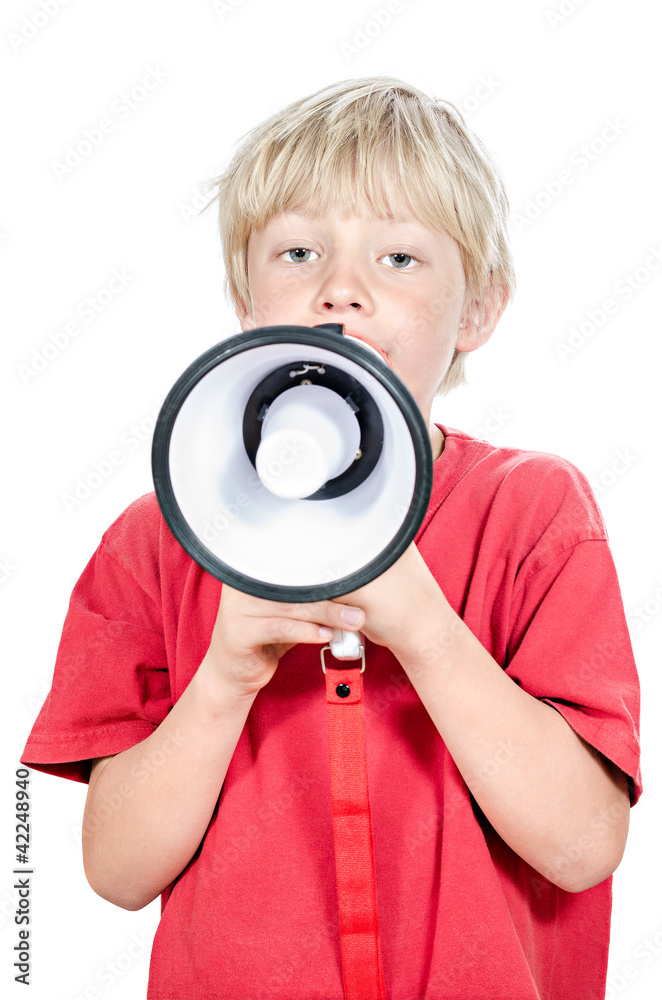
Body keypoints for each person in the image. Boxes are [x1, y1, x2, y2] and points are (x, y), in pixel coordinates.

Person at [21, 77, 642, 1000]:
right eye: (299, 251)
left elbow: (583, 845)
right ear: (245, 295)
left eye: (399, 257)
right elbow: (116, 873)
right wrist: (225, 673)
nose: (341, 291)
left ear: (477, 311)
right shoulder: (154, 540)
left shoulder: (536, 514)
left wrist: (428, 630)